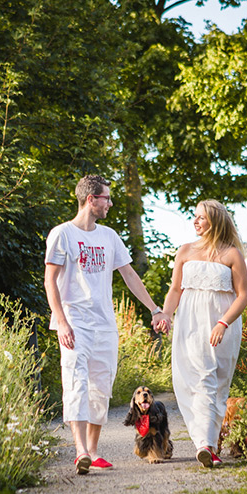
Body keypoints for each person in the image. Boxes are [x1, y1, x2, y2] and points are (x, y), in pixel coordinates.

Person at [44, 175, 165, 475]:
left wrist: (155, 308)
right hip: (74, 323)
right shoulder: (62, 234)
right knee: (76, 383)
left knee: (101, 388)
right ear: (90, 200)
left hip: (104, 326)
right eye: (106, 198)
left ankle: (94, 452)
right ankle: (80, 450)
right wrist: (61, 321)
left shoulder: (110, 237)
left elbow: (129, 275)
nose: (110, 203)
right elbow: (50, 281)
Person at [155, 200, 247, 468]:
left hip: (220, 325)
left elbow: (243, 296)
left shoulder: (232, 255)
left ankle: (207, 445)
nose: (195, 222)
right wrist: (165, 314)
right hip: (189, 323)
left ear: (215, 221)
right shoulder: (184, 251)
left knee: (213, 381)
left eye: (201, 218)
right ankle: (205, 444)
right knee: (189, 381)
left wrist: (223, 323)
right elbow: (175, 290)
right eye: (194, 217)